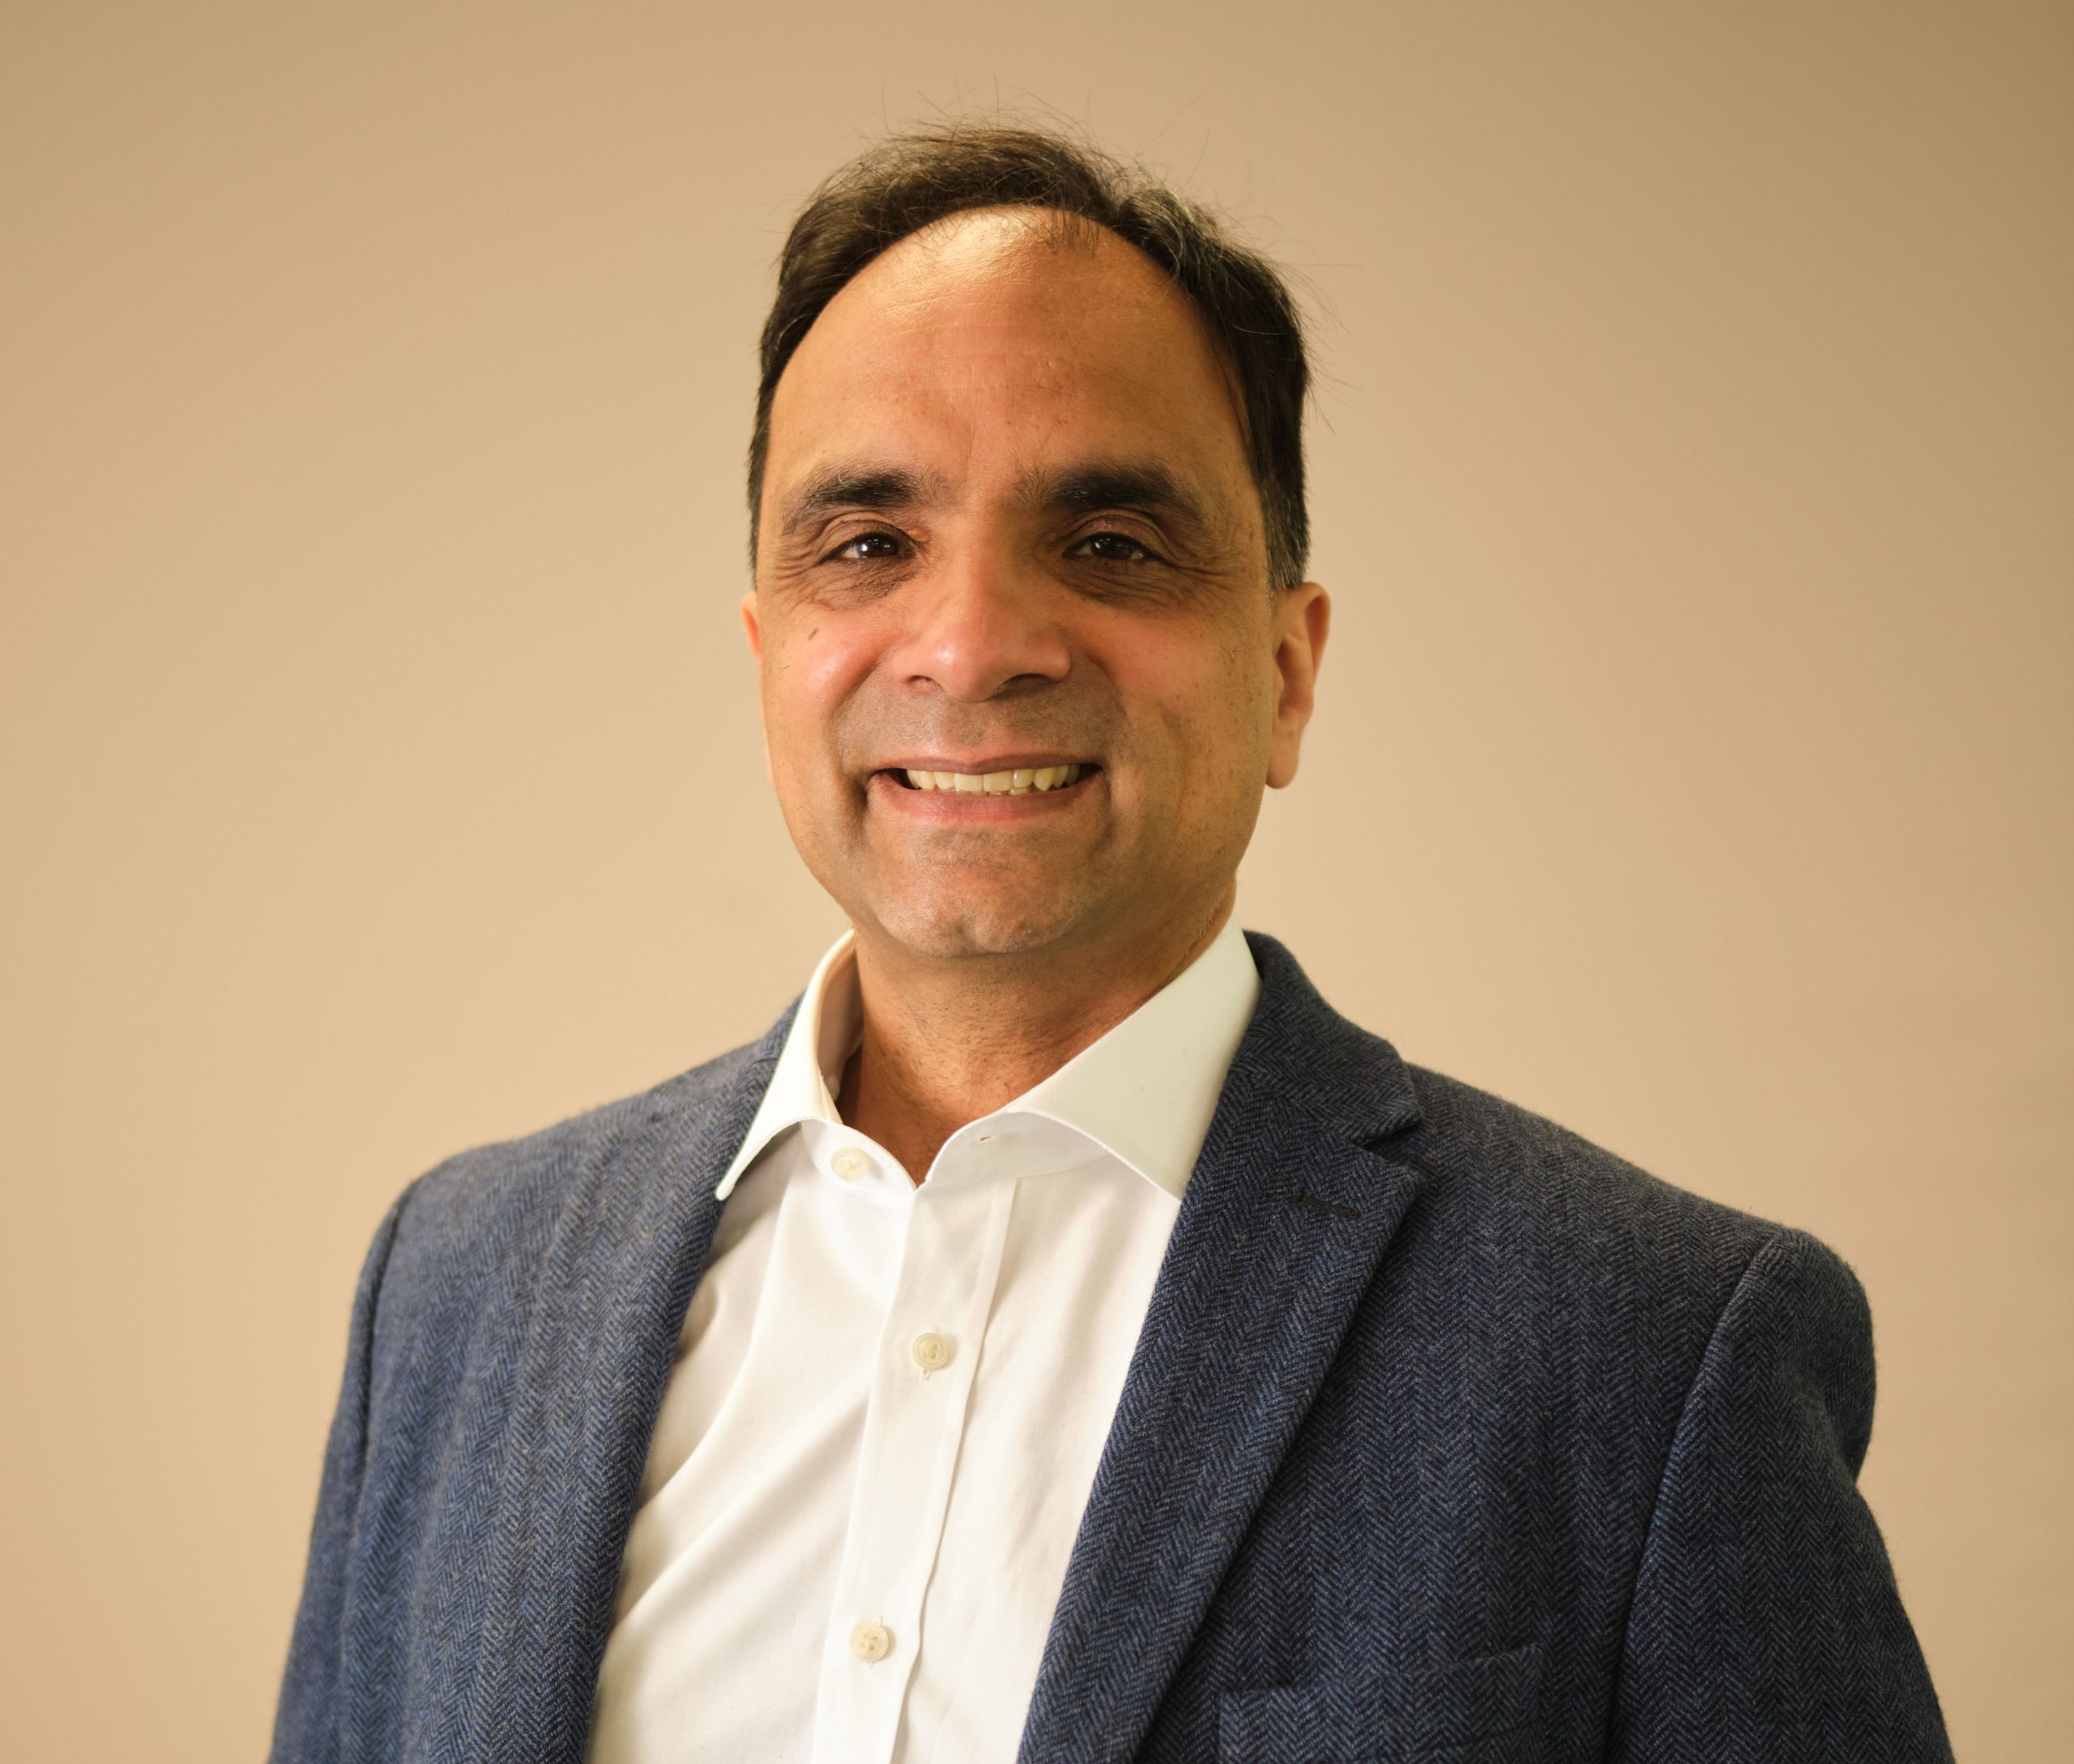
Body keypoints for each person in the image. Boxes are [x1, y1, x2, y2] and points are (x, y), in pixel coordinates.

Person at [270, 124, 1951, 1764]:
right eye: (867, 545)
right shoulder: (461, 1286)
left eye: (1108, 544)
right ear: (768, 649)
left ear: (1285, 673)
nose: (971, 644)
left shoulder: (1654, 1350)